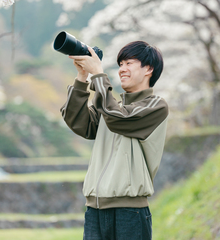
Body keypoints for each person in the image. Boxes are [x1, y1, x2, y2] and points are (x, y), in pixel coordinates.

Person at [61, 41, 169, 240]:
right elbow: (76, 120)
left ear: (149, 69)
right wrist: (83, 77)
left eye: (129, 63)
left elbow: (121, 118)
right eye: (120, 64)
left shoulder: (156, 106)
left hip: (130, 213)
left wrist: (98, 75)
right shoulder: (110, 107)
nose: (122, 69)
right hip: (95, 210)